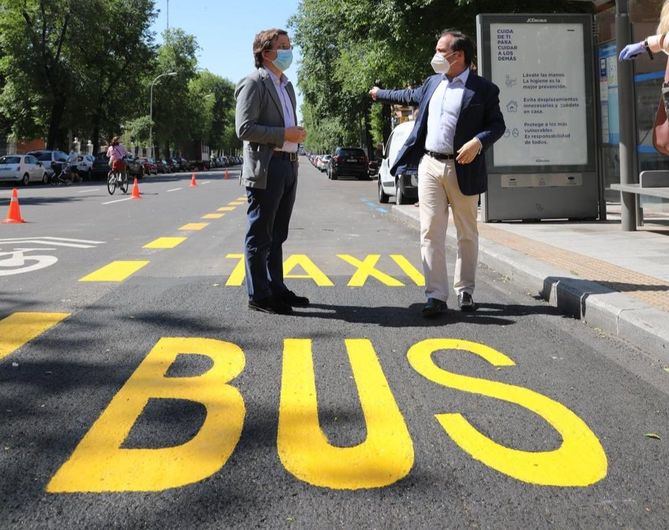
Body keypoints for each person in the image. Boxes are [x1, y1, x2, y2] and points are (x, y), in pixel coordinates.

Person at [369, 29, 505, 318]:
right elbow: (407, 94)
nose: (436, 56)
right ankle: (435, 296)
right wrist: (379, 94)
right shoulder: (433, 83)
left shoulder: (484, 90)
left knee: (467, 233)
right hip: (430, 165)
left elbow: (497, 125)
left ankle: (465, 290)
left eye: (440, 51)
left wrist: (478, 142)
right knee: (430, 231)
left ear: (459, 56)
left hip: (464, 167)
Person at [235, 28, 308, 315]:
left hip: (288, 165)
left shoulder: (287, 85)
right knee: (260, 234)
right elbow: (244, 128)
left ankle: (276, 287)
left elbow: (286, 125)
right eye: (282, 46)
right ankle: (259, 294)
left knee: (278, 234)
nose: (289, 51)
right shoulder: (253, 83)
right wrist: (284, 133)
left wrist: (295, 136)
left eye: (289, 45)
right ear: (266, 53)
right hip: (266, 166)